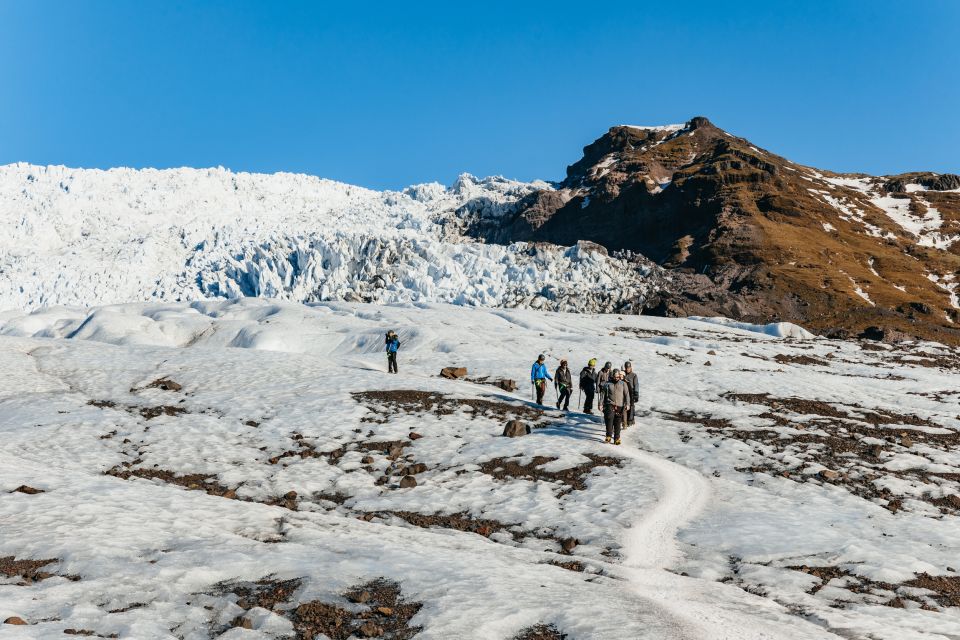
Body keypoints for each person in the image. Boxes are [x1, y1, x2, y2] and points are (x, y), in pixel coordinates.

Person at [603, 369, 631, 445]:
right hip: (610, 404)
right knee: (609, 418)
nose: (616, 378)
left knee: (617, 422)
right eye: (615, 377)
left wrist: (628, 404)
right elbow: (603, 395)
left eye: (618, 377)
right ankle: (608, 436)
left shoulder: (623, 384)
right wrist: (600, 404)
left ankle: (617, 438)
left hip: (620, 405)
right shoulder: (608, 384)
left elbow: (627, 394)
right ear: (612, 376)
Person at [623, 361, 639, 426]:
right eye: (626, 367)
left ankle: (631, 420)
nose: (627, 369)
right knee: (624, 406)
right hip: (624, 392)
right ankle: (624, 420)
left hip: (631, 392)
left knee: (631, 406)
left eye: (628, 367)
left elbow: (636, 385)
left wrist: (636, 394)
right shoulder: (623, 373)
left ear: (631, 367)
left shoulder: (634, 375)